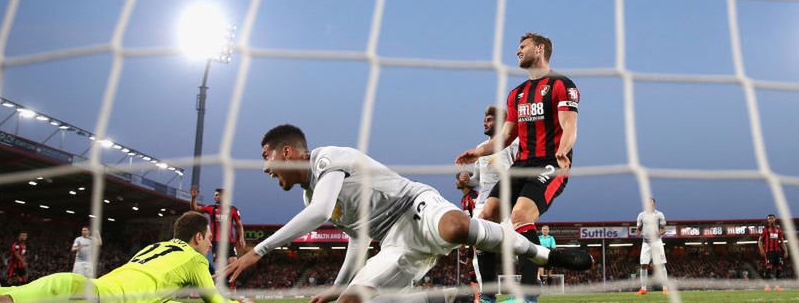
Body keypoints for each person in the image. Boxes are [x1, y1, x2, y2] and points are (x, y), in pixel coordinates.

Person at [222, 124, 591, 303]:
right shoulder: (309, 196)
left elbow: (319, 212)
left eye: (266, 158)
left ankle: (546, 254)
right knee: (352, 302)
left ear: (287, 152)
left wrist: (258, 251)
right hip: (395, 244)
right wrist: (338, 288)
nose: (266, 168)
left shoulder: (327, 159)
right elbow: (357, 238)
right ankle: (451, 296)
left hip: (415, 205)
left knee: (455, 226)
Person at [457, 33, 579, 303]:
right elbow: (506, 137)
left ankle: (528, 295)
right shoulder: (517, 94)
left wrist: (563, 149)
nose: (517, 52)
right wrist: (477, 152)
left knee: (521, 215)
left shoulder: (562, 85)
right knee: (485, 217)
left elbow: (569, 125)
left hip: (550, 163)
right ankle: (488, 296)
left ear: (539, 49)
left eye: (522, 47)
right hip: (520, 164)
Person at [0, 212, 242, 303]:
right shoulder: (194, 259)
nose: (211, 243)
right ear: (198, 238)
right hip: (106, 298)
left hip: (99, 289)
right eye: (209, 237)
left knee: (18, 292)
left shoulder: (155, 247)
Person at [461, 105, 519, 302]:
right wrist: (466, 181)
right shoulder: (481, 147)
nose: (485, 122)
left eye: (490, 119)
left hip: (506, 203)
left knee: (509, 247)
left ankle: (514, 293)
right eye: (485, 119)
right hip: (482, 204)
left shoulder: (513, 144)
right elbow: (478, 179)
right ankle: (487, 295)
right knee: (480, 245)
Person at [190, 185, 246, 267]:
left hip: (229, 242)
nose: (214, 197)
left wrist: (241, 237)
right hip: (216, 242)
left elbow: (239, 225)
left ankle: (229, 280)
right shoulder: (211, 208)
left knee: (233, 263)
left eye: (216, 195)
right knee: (221, 264)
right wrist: (193, 198)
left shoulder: (233, 209)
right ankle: (219, 279)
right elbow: (194, 209)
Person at [635, 199, 668, 295]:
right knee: (643, 265)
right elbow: (639, 228)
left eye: (652, 204)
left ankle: (665, 288)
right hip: (646, 243)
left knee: (661, 265)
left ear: (654, 204)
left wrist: (658, 233)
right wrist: (638, 231)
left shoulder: (659, 214)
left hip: (657, 242)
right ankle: (643, 289)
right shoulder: (641, 215)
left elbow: (663, 229)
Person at [758, 214, 789, 291]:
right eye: (769, 219)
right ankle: (767, 286)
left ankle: (777, 287)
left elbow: (782, 241)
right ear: (768, 220)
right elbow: (760, 241)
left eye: (772, 218)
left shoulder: (778, 229)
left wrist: (786, 250)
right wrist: (761, 249)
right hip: (769, 252)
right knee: (769, 268)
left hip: (777, 252)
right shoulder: (765, 229)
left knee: (779, 268)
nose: (770, 220)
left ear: (774, 219)